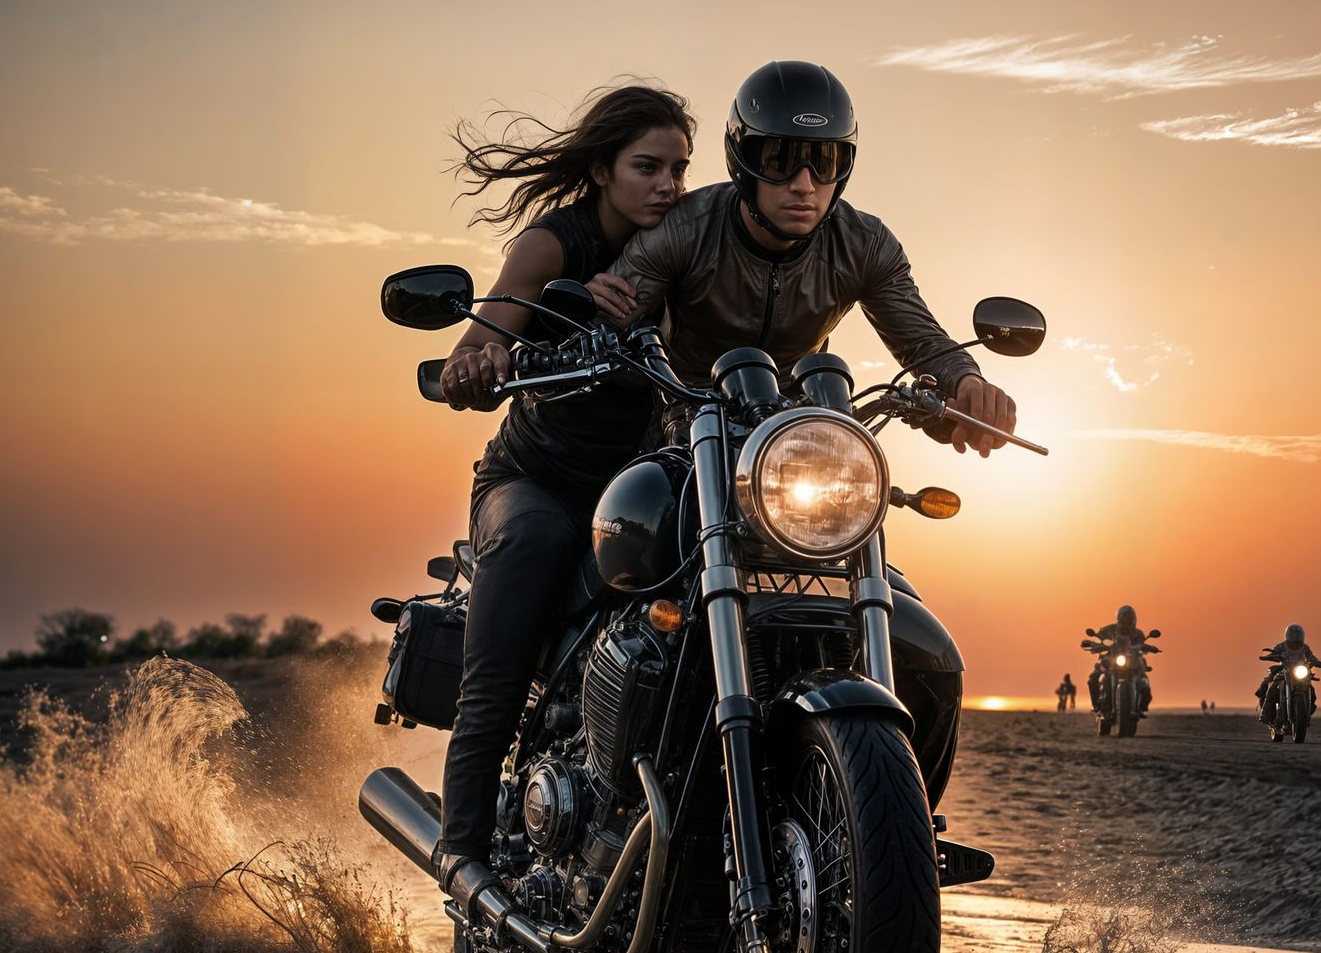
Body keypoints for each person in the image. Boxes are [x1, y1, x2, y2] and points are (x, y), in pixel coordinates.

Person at [432, 84, 696, 907]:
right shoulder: (553, 245)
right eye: (648, 167)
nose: (667, 186)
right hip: (535, 481)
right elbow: (476, 345)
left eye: (679, 170)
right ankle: (462, 850)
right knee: (532, 553)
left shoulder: (686, 245)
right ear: (602, 170)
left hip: (644, 490)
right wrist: (481, 364)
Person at [602, 61, 1017, 452]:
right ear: (744, 160)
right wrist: (584, 318)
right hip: (687, 429)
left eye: (823, 161)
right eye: (780, 161)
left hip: (803, 434)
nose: (804, 184)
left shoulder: (866, 245)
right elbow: (604, 328)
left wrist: (967, 382)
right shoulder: (683, 230)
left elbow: (923, 342)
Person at [1255, 623, 1321, 728]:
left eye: (1298, 635)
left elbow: (1312, 658)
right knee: (1272, 686)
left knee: (1311, 689)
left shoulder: (1305, 648)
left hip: (1300, 672)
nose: (1295, 637)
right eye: (1293, 634)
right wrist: (1270, 656)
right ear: (1288, 635)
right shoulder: (1281, 646)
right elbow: (1274, 654)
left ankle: (1307, 711)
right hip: (1285, 670)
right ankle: (1265, 712)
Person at [1085, 605, 1154, 718]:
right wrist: (1093, 643)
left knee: (1144, 681)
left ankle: (1141, 706)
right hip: (1111, 659)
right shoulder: (1109, 629)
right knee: (1093, 678)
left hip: (1132, 662)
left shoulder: (1138, 633)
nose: (1128, 619)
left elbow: (1143, 644)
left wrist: (1149, 648)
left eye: (1130, 617)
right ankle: (1097, 706)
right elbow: (1100, 637)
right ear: (1120, 618)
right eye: (1125, 617)